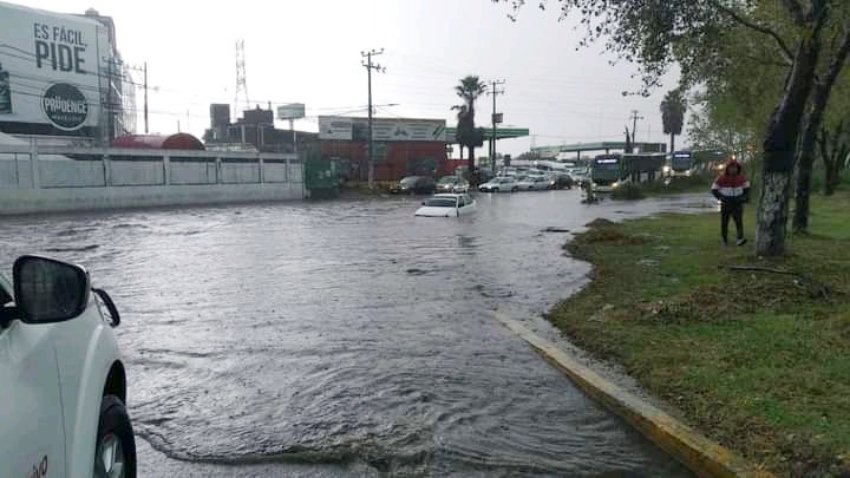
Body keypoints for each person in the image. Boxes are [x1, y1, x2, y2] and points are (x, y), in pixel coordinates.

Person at [711, 159, 750, 246]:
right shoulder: (721, 178)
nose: (733, 170)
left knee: (739, 221)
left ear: (738, 168)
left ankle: (740, 238)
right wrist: (721, 198)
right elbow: (714, 189)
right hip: (726, 203)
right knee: (724, 222)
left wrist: (744, 198)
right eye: (731, 168)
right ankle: (724, 239)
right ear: (727, 168)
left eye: (735, 168)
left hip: (737, 202)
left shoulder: (742, 178)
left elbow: (747, 189)